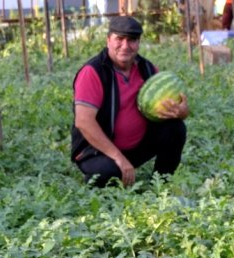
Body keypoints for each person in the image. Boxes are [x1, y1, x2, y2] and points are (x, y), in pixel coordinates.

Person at [71, 16, 189, 187]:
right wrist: (118, 158)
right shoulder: (93, 72)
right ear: (108, 40)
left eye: (132, 40)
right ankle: (102, 175)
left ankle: (161, 184)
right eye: (119, 39)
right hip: (97, 151)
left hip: (135, 148)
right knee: (109, 174)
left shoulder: (146, 68)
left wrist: (182, 112)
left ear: (138, 43)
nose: (125, 46)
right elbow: (83, 122)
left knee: (175, 128)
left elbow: (166, 106)